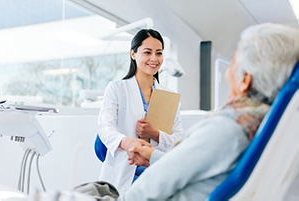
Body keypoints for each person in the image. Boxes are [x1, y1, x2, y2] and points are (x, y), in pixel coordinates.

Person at [115, 23, 299, 200]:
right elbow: (188, 165)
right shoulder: (264, 124)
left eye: (233, 63)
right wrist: (152, 155)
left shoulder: (228, 128)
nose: (228, 73)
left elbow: (154, 184)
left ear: (245, 80)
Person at [97, 29, 184, 194]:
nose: (154, 58)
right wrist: (127, 142)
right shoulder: (117, 89)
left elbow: (178, 140)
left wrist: (155, 133)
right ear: (133, 53)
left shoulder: (169, 97)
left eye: (159, 53)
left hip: (155, 170)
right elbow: (105, 127)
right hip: (125, 169)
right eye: (147, 52)